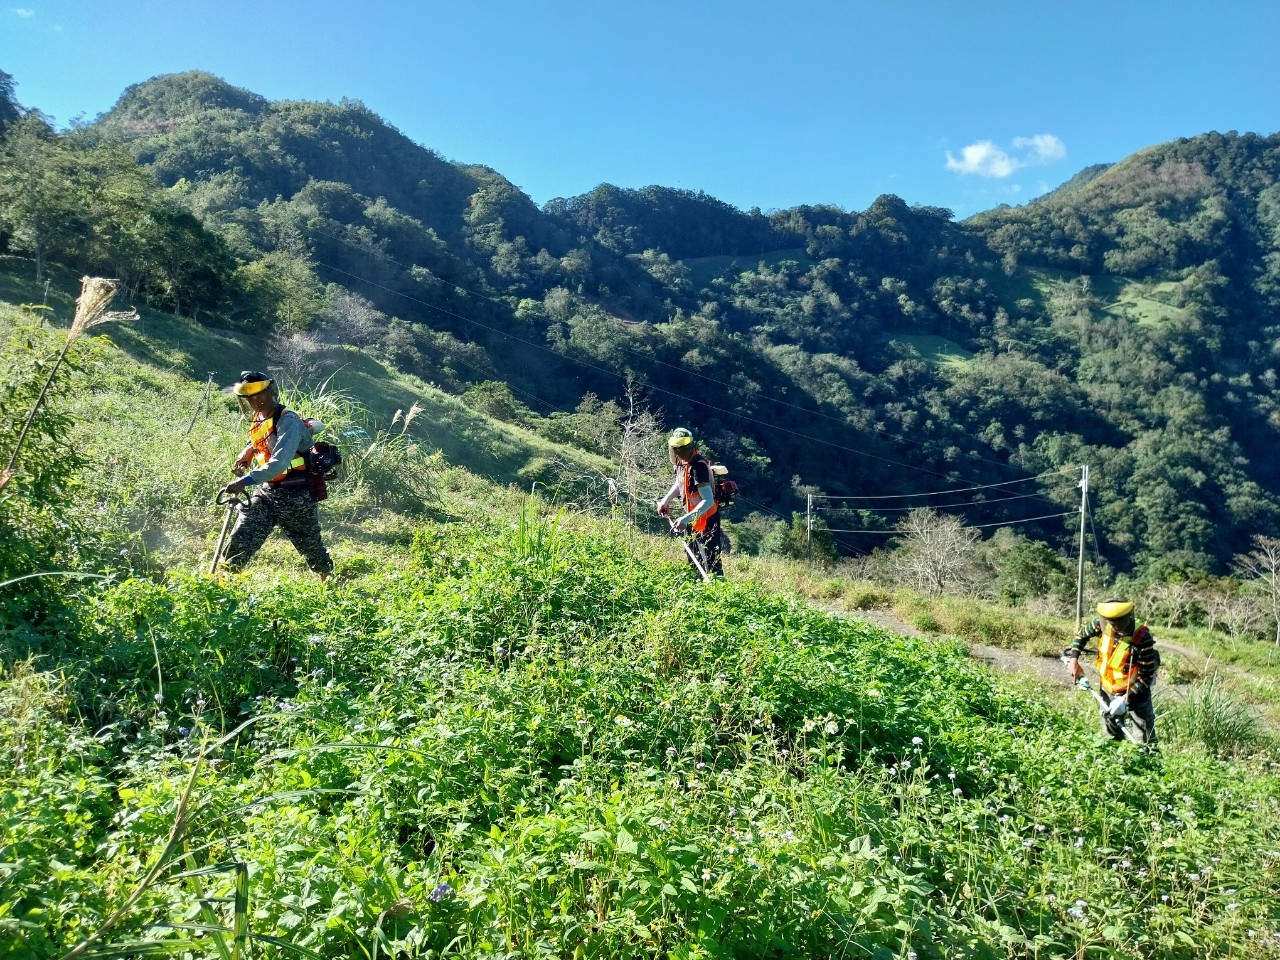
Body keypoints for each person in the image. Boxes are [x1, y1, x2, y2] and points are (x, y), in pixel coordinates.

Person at [220, 371, 333, 579]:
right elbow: (259, 440)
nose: (255, 401)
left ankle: (327, 580)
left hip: (296, 495)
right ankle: (223, 583)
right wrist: (246, 454)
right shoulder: (260, 417)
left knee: (311, 547)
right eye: (250, 397)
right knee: (242, 536)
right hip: (267, 492)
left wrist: (244, 481)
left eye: (259, 395)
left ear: (271, 391)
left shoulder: (287, 419)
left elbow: (279, 463)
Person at [1064, 598, 1159, 744]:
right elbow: (1081, 635)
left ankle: (1148, 761)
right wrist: (1074, 660)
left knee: (1145, 739)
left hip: (1135, 693)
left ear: (1129, 617)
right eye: (1112, 623)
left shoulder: (1143, 638)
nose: (1115, 627)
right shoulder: (1100, 625)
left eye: (1120, 623)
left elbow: (1146, 677)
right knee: (1111, 736)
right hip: (1108, 689)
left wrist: (1124, 699)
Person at [655, 427, 723, 577]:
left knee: (711, 561)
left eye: (682, 449)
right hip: (692, 517)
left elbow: (708, 500)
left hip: (707, 519)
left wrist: (686, 518)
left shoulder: (698, 467)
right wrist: (665, 501)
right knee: (693, 558)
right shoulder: (681, 463)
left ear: (690, 447)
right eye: (676, 450)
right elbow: (679, 483)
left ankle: (718, 589)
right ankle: (696, 586)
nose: (679, 453)